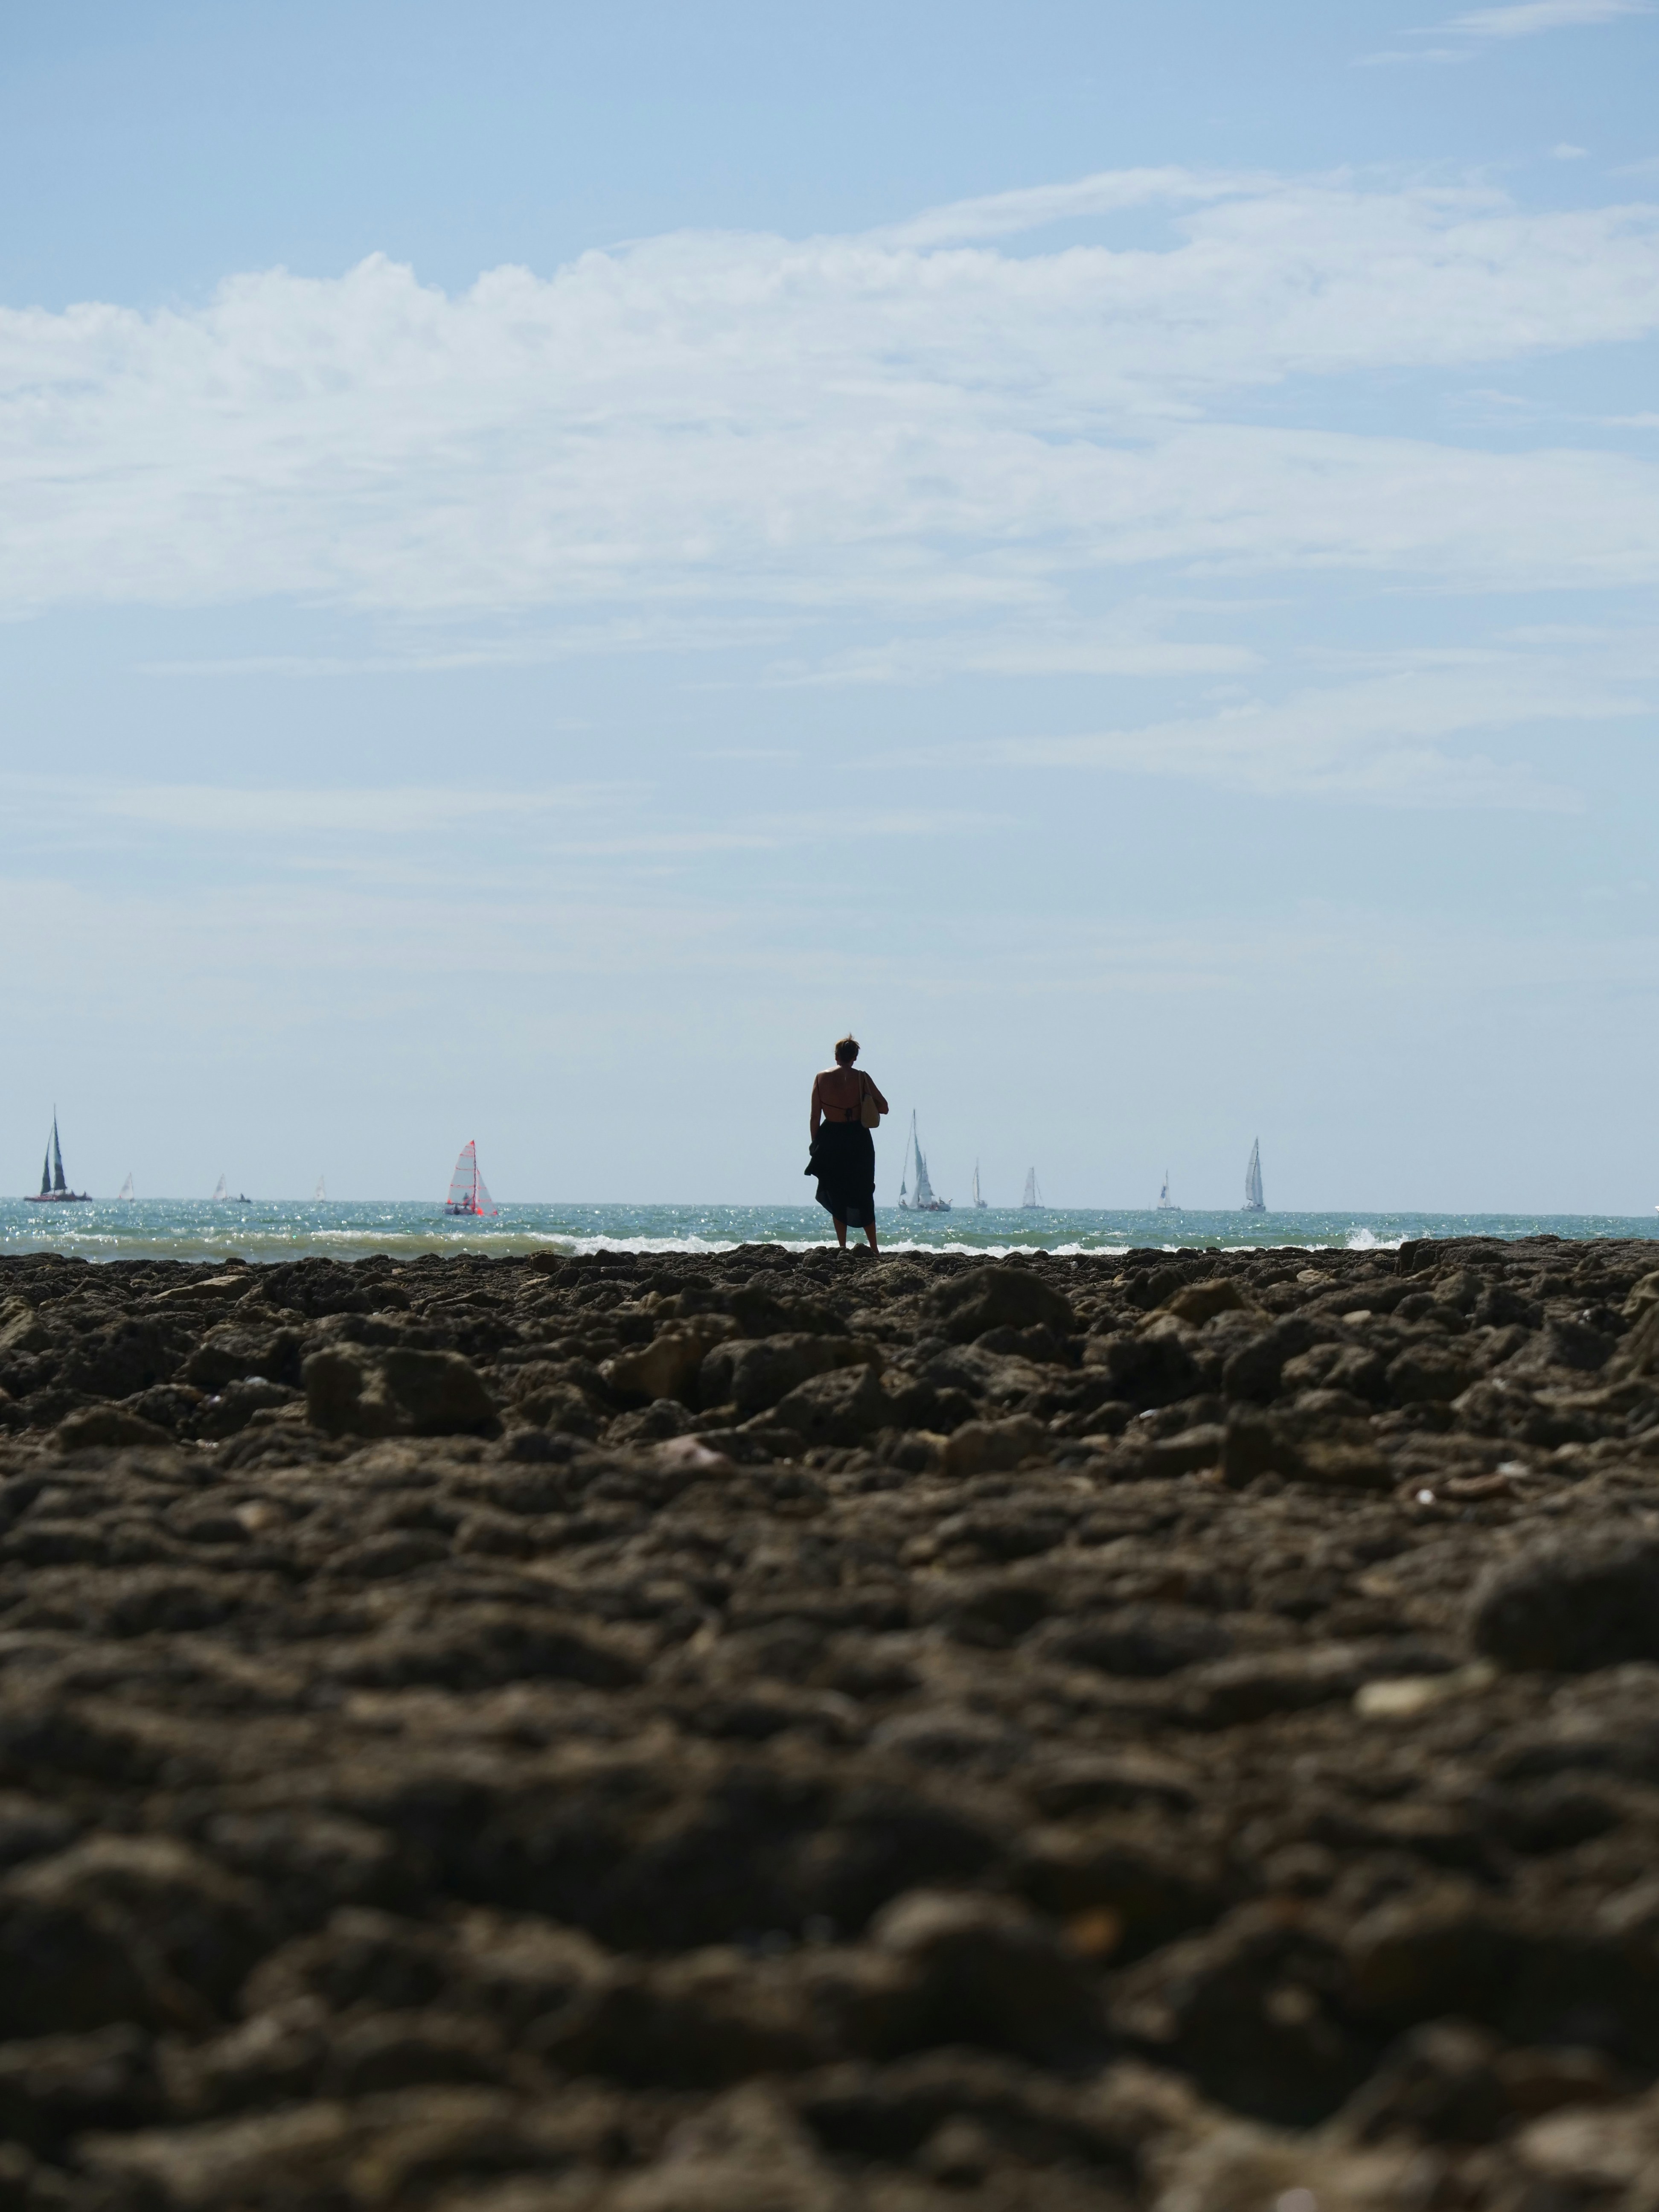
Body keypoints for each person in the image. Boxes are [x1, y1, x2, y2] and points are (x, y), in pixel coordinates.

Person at [807, 1035, 888, 1254]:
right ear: (854, 1057)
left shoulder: (820, 1078)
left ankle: (842, 1247)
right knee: (863, 1192)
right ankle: (874, 1248)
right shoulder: (862, 1078)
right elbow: (884, 1107)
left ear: (836, 1056)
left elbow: (815, 1117)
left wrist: (816, 1146)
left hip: (831, 1138)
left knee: (836, 1191)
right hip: (858, 1140)